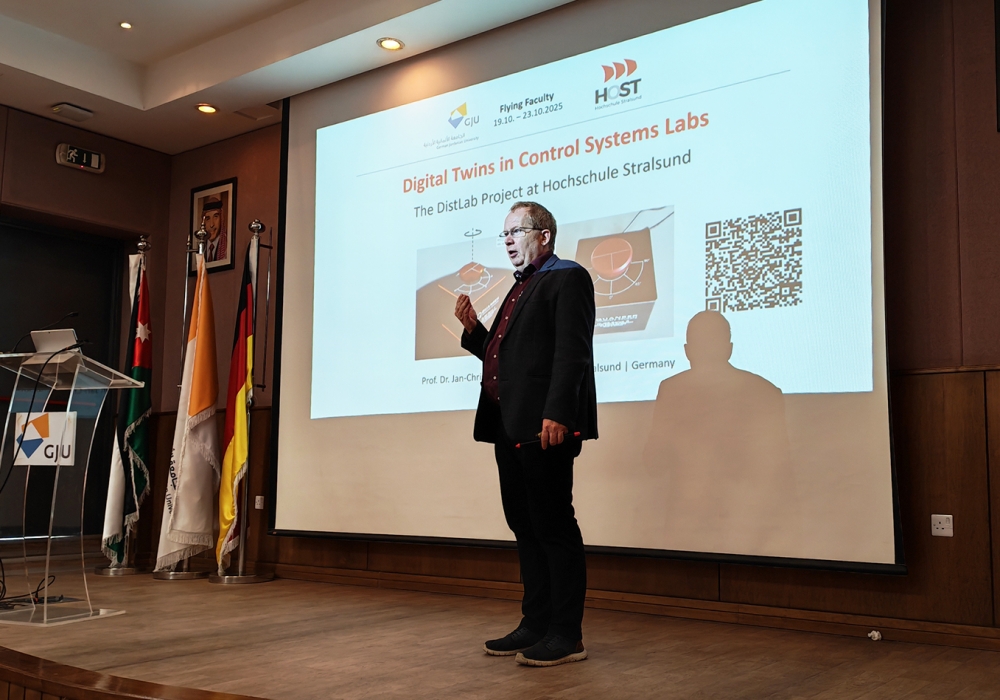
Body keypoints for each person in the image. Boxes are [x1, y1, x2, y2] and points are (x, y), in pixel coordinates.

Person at [454, 201, 597, 667]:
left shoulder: (567, 277)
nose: (509, 241)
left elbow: (572, 353)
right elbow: (511, 359)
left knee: (553, 526)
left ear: (544, 235)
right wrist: (475, 331)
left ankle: (566, 634)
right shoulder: (520, 286)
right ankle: (535, 623)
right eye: (505, 234)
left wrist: (558, 413)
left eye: (516, 231)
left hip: (544, 427)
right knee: (524, 525)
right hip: (508, 425)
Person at [201, 195, 227, 263]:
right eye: (208, 219)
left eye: (215, 217)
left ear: (221, 219)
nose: (211, 225)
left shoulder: (227, 248)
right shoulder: (200, 248)